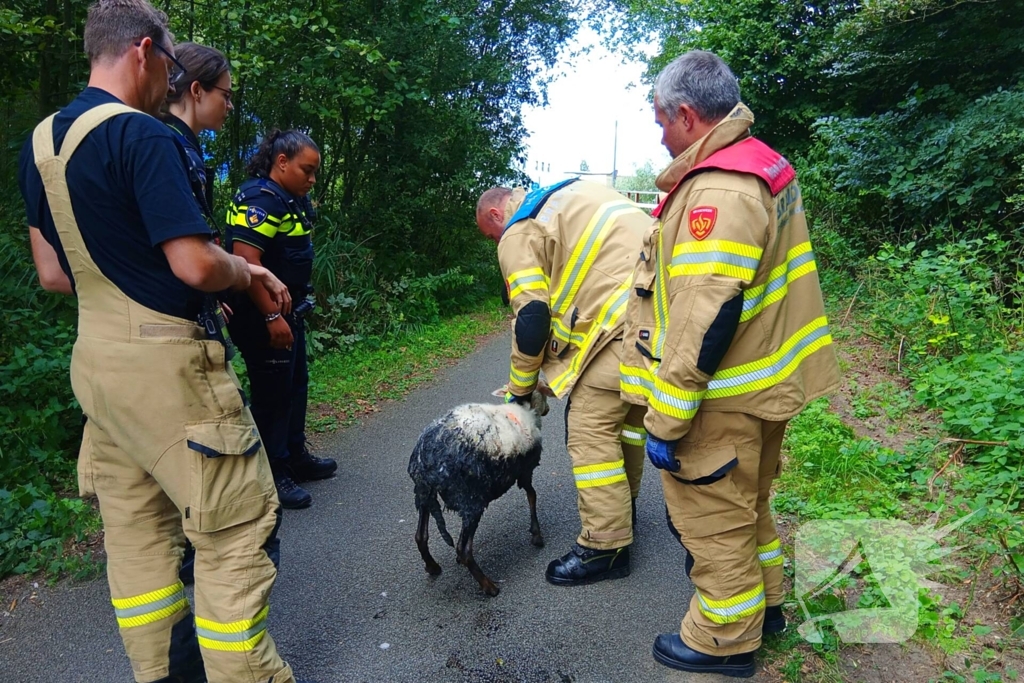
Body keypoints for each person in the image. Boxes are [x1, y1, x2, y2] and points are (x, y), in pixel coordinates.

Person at [17, 1, 302, 681]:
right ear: (145, 51)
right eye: (168, 63)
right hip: (169, 368)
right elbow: (197, 264)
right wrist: (249, 269)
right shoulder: (141, 137)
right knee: (234, 530)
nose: (168, 78)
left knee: (139, 537)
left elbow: (54, 274)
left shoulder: (42, 144)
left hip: (97, 364)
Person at [618, 50, 841, 677]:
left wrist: (665, 419)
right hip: (762, 383)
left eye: (660, 121)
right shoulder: (760, 168)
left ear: (687, 115)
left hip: (719, 399)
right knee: (749, 505)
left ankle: (724, 637)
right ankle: (767, 608)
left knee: (712, 519)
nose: (659, 135)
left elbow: (704, 313)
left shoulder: (716, 187)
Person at [476, 179, 650, 586]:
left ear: (498, 214)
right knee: (628, 419)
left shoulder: (519, 228)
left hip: (619, 319)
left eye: (491, 235)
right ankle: (624, 508)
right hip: (658, 310)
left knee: (591, 427)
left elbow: (533, 318)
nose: (496, 243)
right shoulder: (573, 194)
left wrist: (520, 391)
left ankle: (606, 547)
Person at [161, 42, 243, 586]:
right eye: (225, 94)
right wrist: (243, 273)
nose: (230, 106)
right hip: (180, 337)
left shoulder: (173, 145)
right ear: (196, 90)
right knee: (238, 499)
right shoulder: (165, 146)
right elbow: (192, 259)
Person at [225, 129, 336, 509]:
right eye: (307, 169)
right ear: (282, 162)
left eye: (315, 172)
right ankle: (273, 471)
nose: (312, 178)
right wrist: (271, 315)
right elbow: (246, 263)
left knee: (295, 385)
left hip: (289, 313)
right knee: (272, 394)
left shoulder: (290, 199)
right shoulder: (259, 198)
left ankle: (294, 456)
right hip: (260, 315)